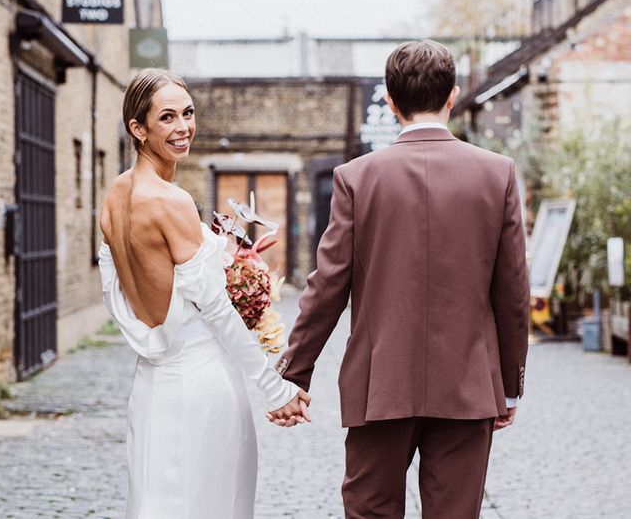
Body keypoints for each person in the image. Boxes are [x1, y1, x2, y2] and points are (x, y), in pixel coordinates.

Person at [270, 40, 530, 518]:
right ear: (452, 95)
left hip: (379, 386)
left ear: (390, 102)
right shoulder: (497, 174)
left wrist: (293, 374)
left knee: (370, 511)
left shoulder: (356, 178)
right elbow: (512, 291)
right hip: (468, 386)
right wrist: (509, 384)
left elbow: (327, 286)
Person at [98, 68, 310, 519]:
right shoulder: (171, 202)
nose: (183, 128)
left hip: (152, 384)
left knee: (157, 503)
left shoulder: (115, 195)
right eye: (167, 118)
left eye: (188, 114)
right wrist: (275, 389)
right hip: (201, 382)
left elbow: (116, 289)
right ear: (138, 128)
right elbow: (216, 310)